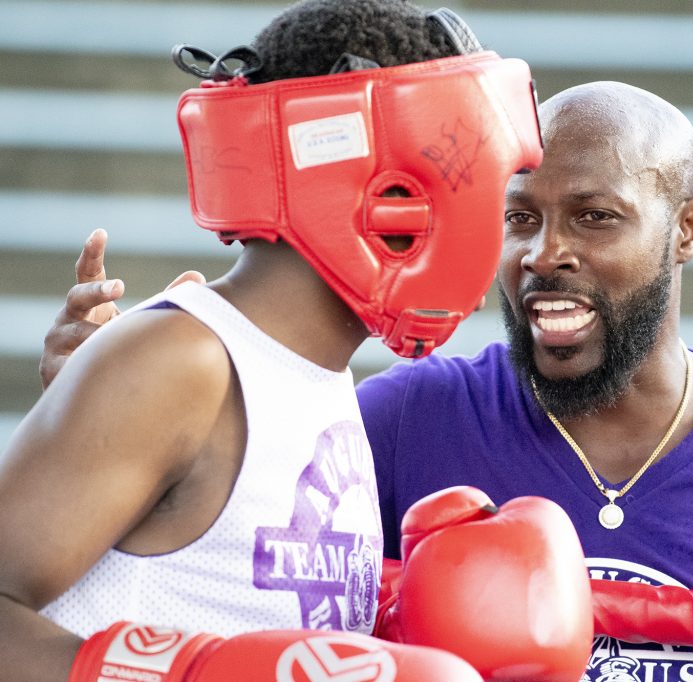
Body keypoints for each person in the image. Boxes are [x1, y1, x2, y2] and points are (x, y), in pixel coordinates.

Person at [39, 82, 693, 681]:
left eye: (594, 216)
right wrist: (95, 421)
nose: (545, 253)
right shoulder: (394, 420)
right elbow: (192, 578)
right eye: (520, 218)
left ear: (685, 229)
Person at [0, 0, 548, 680]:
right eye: (487, 195)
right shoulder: (186, 362)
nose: (506, 239)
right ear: (393, 193)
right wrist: (197, 673)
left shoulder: (317, 378)